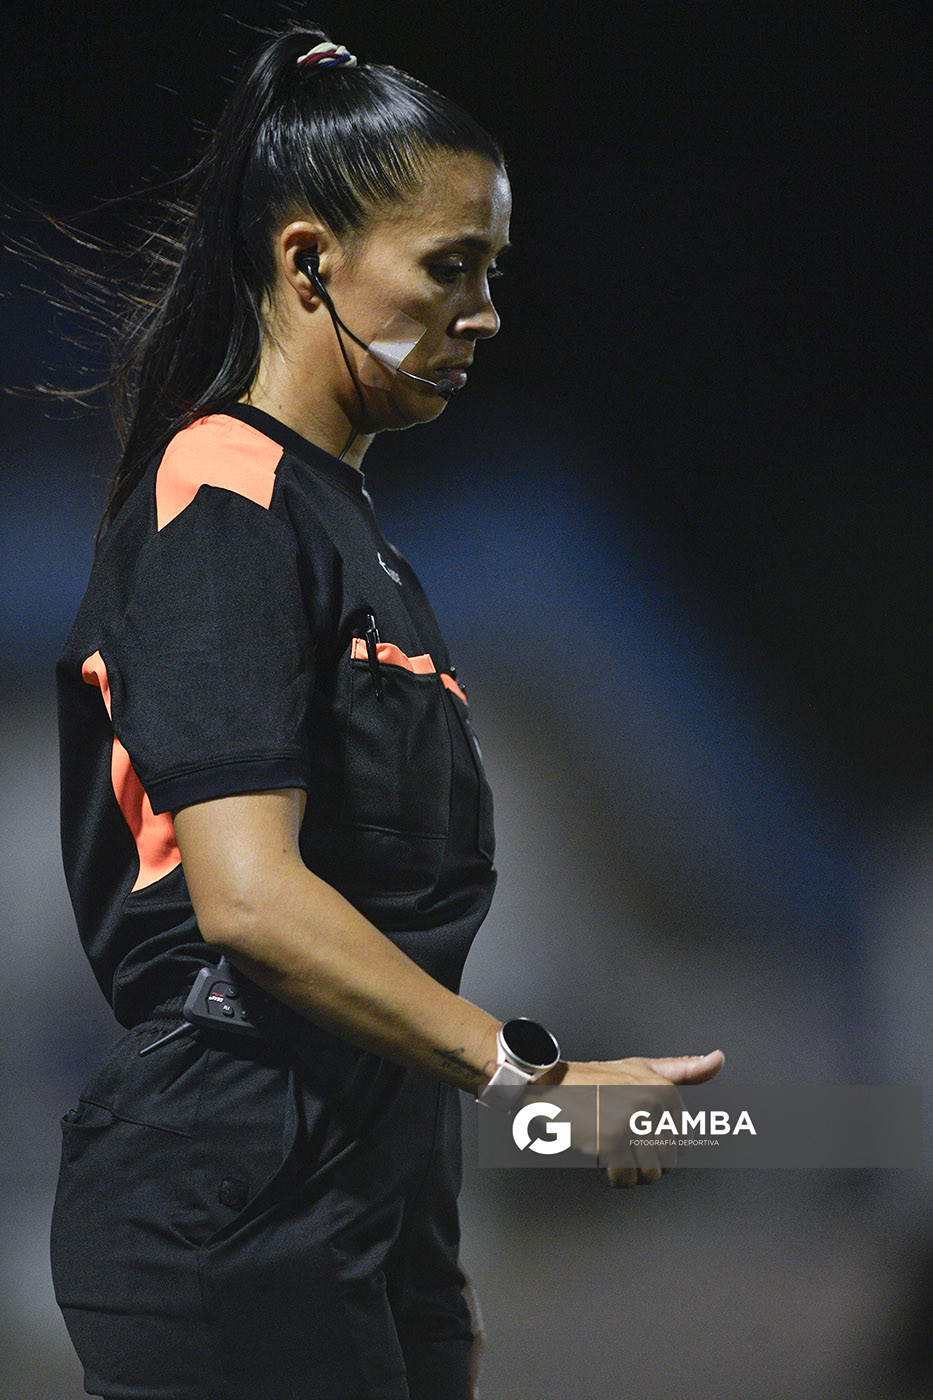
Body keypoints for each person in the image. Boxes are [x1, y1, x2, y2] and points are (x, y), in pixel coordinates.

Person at [51, 25, 724, 1400]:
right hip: (227, 1192)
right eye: (448, 267)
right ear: (308, 263)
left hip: (369, 1188)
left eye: (493, 271)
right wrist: (538, 1081)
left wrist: (439, 1223)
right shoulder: (221, 497)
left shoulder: (355, 533)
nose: (485, 312)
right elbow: (249, 902)